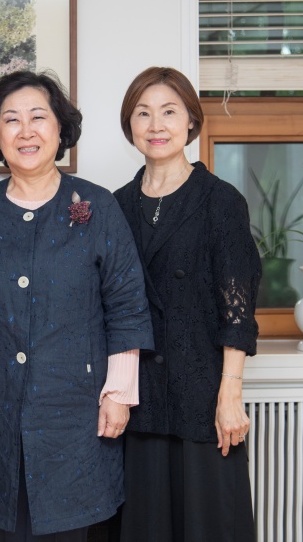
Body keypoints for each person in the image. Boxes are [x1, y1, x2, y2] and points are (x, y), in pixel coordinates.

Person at [0, 70, 153, 541]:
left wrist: (119, 393)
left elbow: (127, 305)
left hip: (75, 414)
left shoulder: (97, 207)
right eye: (11, 120)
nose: (26, 131)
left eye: (38, 117)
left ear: (60, 130)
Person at [112, 67, 260, 542]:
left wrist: (230, 394)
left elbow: (237, 309)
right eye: (144, 113)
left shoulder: (220, 201)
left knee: (208, 524)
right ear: (129, 124)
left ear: (191, 122)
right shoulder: (115, 206)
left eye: (169, 112)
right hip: (139, 398)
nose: (156, 125)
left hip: (202, 394)